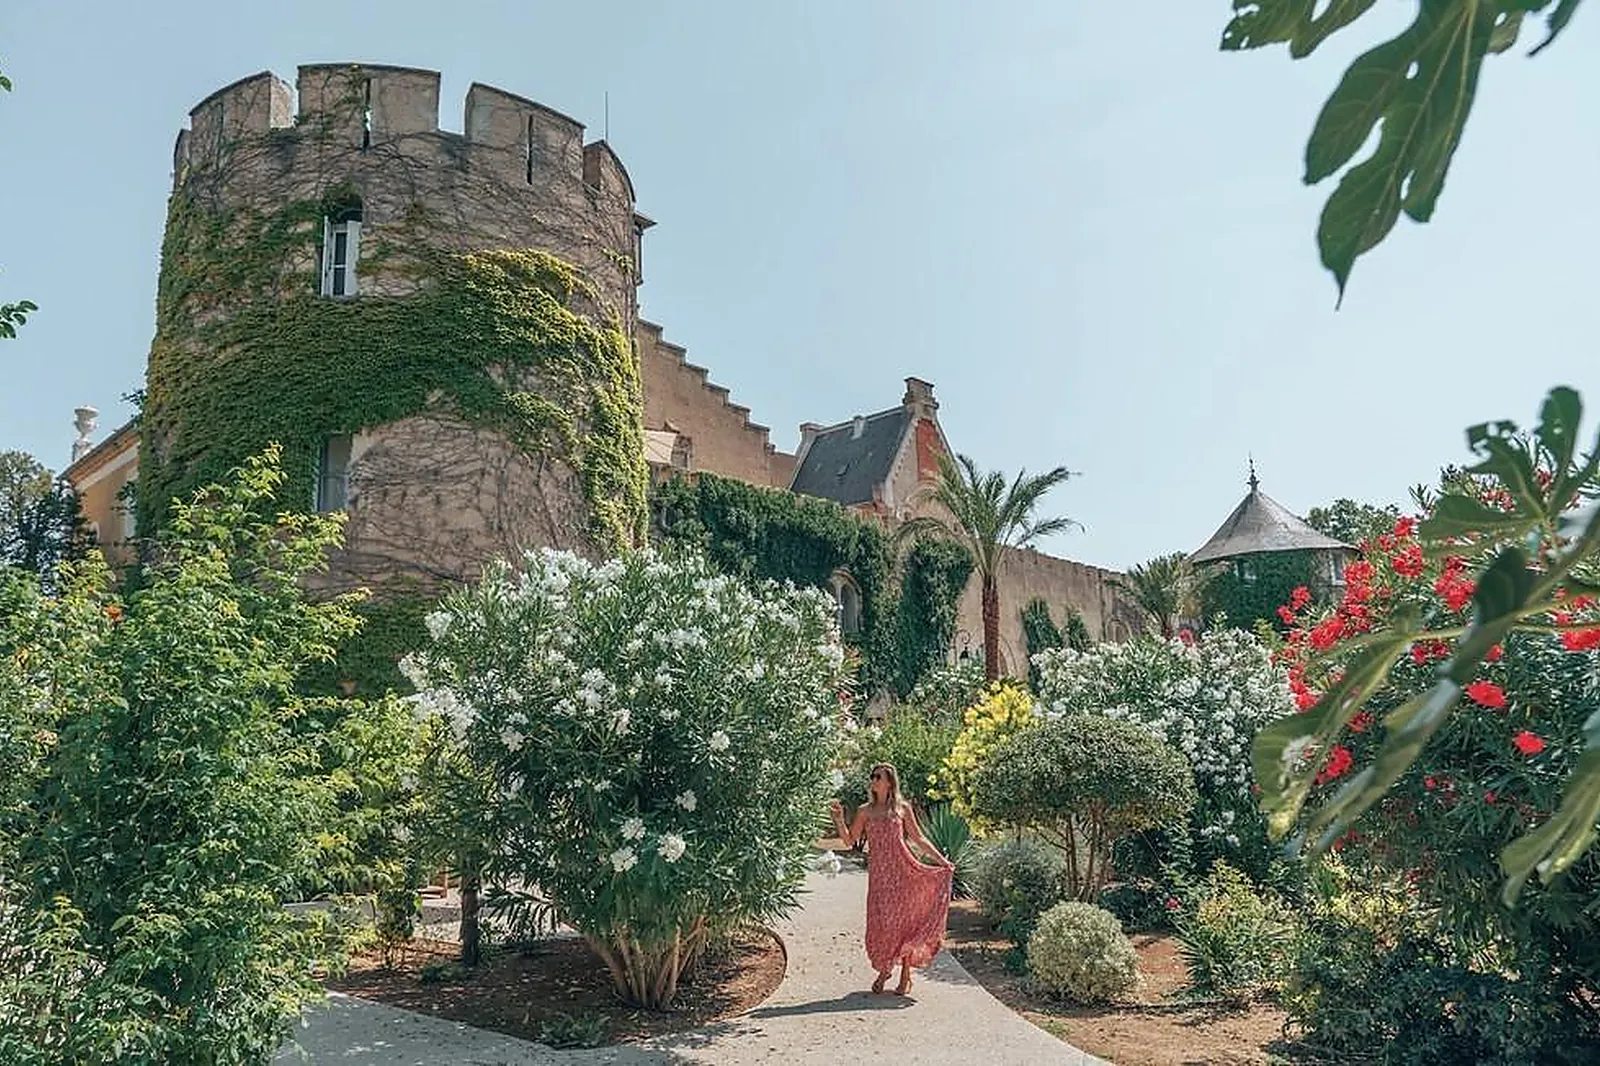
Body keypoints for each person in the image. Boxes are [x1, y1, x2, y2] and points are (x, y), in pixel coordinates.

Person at [829, 762, 953, 995]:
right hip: (880, 877)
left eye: (878, 776)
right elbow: (848, 840)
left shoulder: (902, 808)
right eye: (872, 776)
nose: (873, 780)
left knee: (905, 922)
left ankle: (905, 975)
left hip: (903, 871)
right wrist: (838, 820)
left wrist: (941, 861)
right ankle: (885, 969)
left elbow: (919, 839)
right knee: (882, 924)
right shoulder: (865, 811)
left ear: (889, 782)